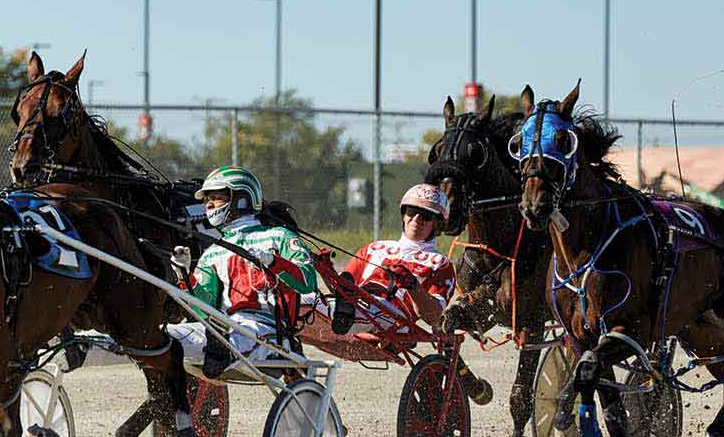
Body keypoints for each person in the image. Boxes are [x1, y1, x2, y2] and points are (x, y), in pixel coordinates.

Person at [308, 183, 493, 404]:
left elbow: (433, 317)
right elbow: (343, 288)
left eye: (425, 216)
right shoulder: (374, 248)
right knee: (298, 302)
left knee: (361, 306)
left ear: (437, 224)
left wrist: (412, 286)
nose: (416, 219)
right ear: (404, 215)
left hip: (392, 318)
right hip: (353, 304)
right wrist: (327, 272)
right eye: (412, 212)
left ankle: (347, 312)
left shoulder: (440, 264)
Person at [167, 165, 317, 381]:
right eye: (206, 199)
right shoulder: (212, 253)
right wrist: (184, 276)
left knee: (230, 338)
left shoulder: (279, 236)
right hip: (220, 328)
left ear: (242, 198)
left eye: (216, 197)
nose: (208, 205)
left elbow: (307, 282)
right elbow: (204, 308)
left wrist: (273, 261)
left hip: (268, 331)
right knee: (165, 338)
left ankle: (222, 346)